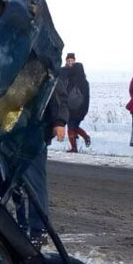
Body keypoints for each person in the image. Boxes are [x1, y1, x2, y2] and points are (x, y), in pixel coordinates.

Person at [16, 74, 68, 243]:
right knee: (11, 181)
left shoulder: (41, 64)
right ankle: (20, 224)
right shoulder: (10, 62)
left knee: (33, 181)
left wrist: (59, 122)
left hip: (33, 132)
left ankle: (38, 229)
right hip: (9, 132)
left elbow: (57, 95)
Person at [62, 52, 91, 152]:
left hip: (76, 107)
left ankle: (75, 147)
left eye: (72, 60)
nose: (70, 62)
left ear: (74, 61)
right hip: (75, 107)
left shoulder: (76, 78)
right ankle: (85, 138)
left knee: (71, 127)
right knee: (73, 126)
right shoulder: (78, 77)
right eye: (69, 60)